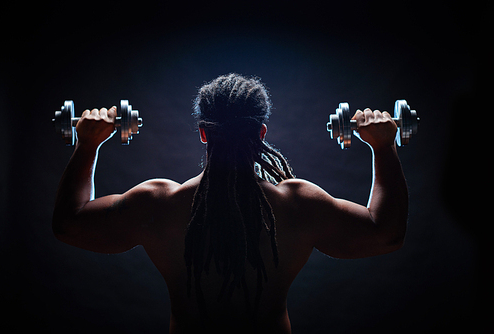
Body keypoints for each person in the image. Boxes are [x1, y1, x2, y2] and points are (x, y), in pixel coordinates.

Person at [53, 74, 408, 333]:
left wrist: (87, 143)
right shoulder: (299, 205)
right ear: (261, 133)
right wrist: (383, 147)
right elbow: (386, 233)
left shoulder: (157, 205)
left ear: (204, 133)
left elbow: (70, 224)